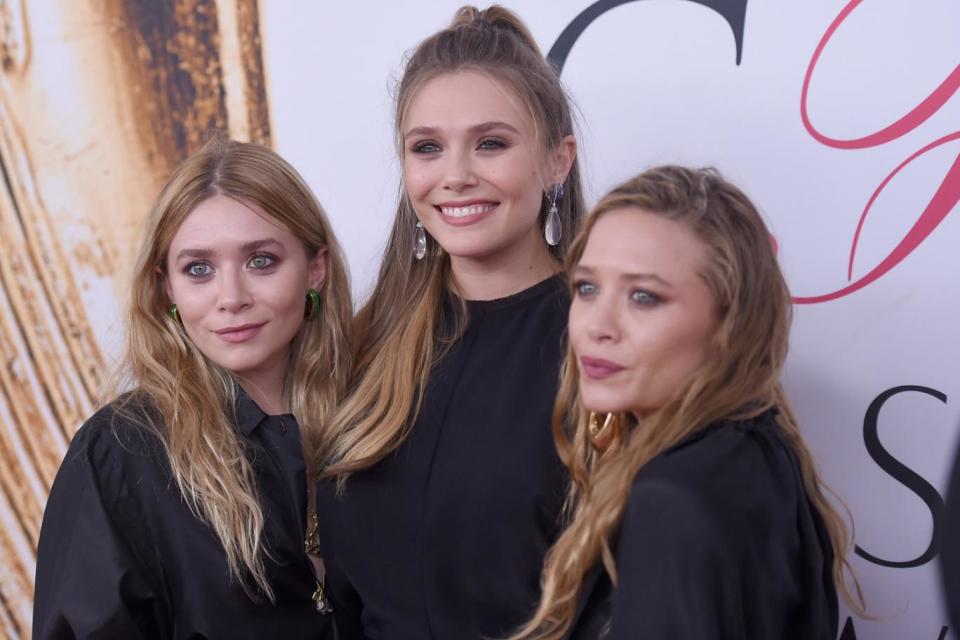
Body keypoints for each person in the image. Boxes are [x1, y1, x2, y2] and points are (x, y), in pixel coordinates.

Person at [314, 5, 585, 638]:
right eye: (427, 148)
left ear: (557, 160)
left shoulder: (607, 343)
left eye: (491, 143)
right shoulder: (365, 343)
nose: (456, 176)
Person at [511, 166, 863, 639]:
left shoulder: (673, 501)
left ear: (728, 324)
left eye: (643, 297)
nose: (598, 326)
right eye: (587, 288)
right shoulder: (763, 448)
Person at [33, 137, 352, 639]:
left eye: (261, 261)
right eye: (198, 269)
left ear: (316, 268)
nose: (231, 298)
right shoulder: (120, 452)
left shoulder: (375, 415)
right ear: (168, 288)